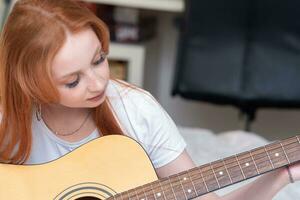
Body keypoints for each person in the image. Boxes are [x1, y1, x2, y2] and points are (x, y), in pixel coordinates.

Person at [0, 0, 298, 199]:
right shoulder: (9, 117)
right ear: (32, 85)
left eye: (99, 59)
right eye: (73, 81)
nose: (98, 82)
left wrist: (283, 175)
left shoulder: (136, 111)